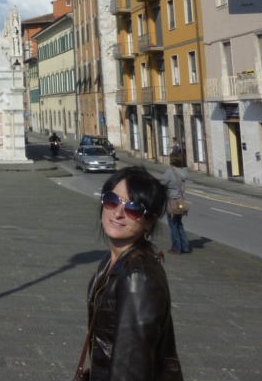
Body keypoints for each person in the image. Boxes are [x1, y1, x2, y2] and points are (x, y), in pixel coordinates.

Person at [79, 166, 182, 380]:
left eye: (133, 208)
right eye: (112, 200)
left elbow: (130, 369)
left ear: (150, 221)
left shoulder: (138, 277)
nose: (118, 213)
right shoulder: (112, 262)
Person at [161, 153, 191, 255]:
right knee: (179, 224)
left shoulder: (169, 172)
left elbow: (162, 183)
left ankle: (176, 248)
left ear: (171, 161)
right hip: (180, 201)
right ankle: (185, 247)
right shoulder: (183, 172)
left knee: (173, 225)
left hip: (172, 202)